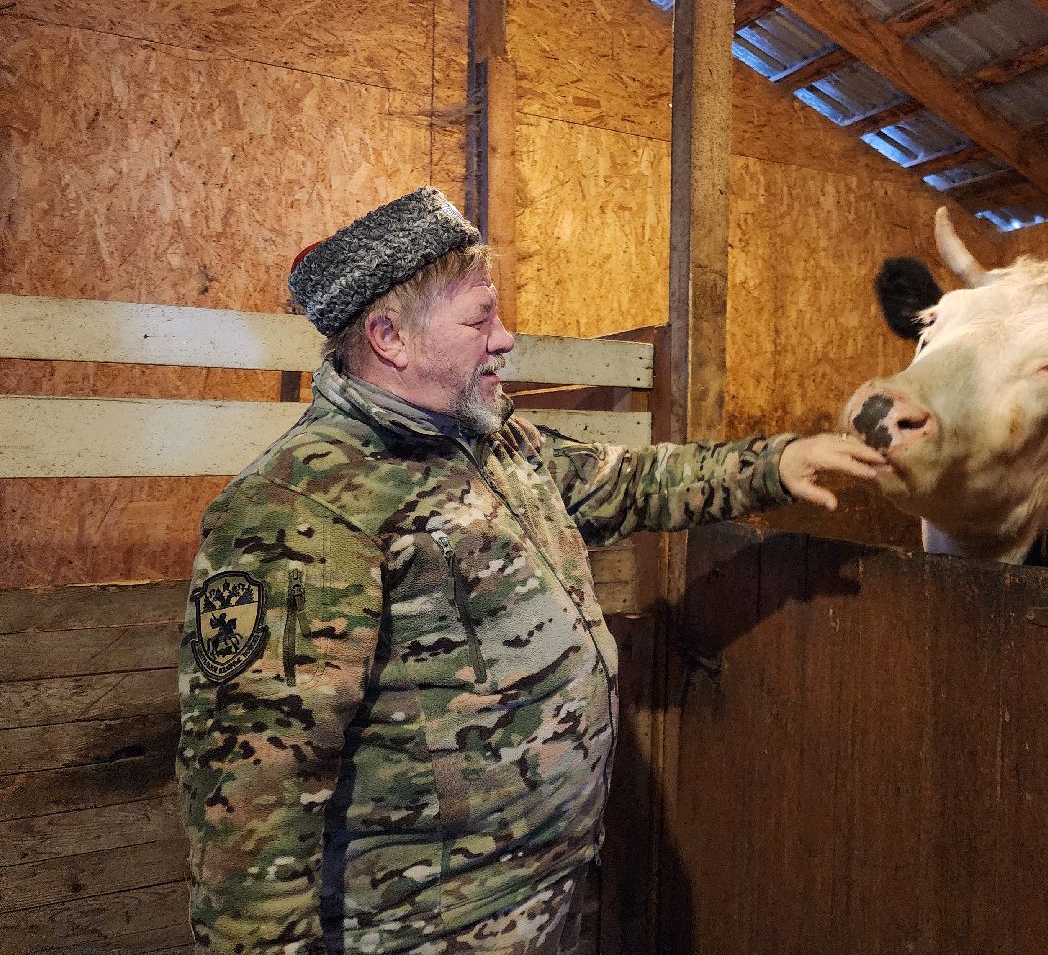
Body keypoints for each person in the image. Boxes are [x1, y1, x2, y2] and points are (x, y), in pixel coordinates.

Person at [177, 186, 886, 954]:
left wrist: (775, 464)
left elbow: (625, 483)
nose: (505, 339)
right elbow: (253, 797)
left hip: (543, 897)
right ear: (389, 336)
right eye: (479, 320)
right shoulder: (298, 508)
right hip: (428, 929)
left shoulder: (493, 442)